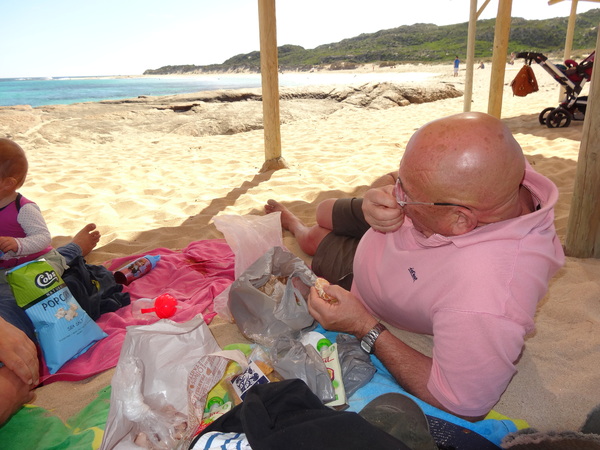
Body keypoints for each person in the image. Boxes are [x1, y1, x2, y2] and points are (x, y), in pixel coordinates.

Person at [265, 112, 565, 421]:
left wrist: (364, 326)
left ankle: (294, 226)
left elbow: (461, 403)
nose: (395, 193)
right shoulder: (492, 165)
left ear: (460, 219)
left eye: (404, 194)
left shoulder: (488, 295)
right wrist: (377, 197)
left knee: (315, 239)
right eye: (401, 182)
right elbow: (401, 184)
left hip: (361, 272)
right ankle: (314, 221)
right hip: (393, 226)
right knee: (324, 210)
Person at [0, 137, 101, 425]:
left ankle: (77, 247)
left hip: (34, 262)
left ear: (8, 183)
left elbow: (42, 238)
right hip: (6, 270)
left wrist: (18, 245)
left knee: (56, 263)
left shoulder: (24, 208)